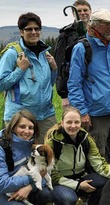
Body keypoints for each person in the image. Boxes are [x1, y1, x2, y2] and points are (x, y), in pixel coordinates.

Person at [67, 8, 110, 158]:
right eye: (106, 24)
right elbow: (74, 83)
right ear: (95, 26)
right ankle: (102, 182)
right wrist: (82, 112)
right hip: (96, 112)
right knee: (98, 153)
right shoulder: (82, 48)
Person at [0, 12, 57, 144]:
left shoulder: (45, 53)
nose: (33, 32)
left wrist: (54, 69)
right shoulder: (12, 54)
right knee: (19, 157)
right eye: (29, 29)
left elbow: (48, 84)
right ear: (21, 32)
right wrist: (20, 70)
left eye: (37, 29)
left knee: (47, 155)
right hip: (20, 117)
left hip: (45, 115)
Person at [46, 106, 110, 205]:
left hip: (82, 177)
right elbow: (52, 174)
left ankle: (89, 201)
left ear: (81, 123)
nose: (73, 126)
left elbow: (100, 164)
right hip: (60, 182)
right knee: (67, 198)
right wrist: (78, 185)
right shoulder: (52, 143)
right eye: (69, 122)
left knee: (109, 182)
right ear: (62, 123)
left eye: (76, 122)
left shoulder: (86, 139)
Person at [0, 109, 52, 204]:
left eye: (31, 128)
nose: (26, 131)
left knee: (45, 194)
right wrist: (31, 179)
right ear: (13, 127)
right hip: (3, 191)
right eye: (22, 126)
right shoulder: (2, 146)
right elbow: (1, 184)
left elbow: (44, 172)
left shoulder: (34, 146)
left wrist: (30, 187)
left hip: (24, 184)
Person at [54, 0, 91, 107]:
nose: (83, 13)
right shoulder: (66, 34)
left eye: (85, 10)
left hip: (93, 86)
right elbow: (60, 64)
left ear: (90, 12)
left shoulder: (97, 32)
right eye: (79, 11)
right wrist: (64, 95)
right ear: (73, 14)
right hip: (74, 86)